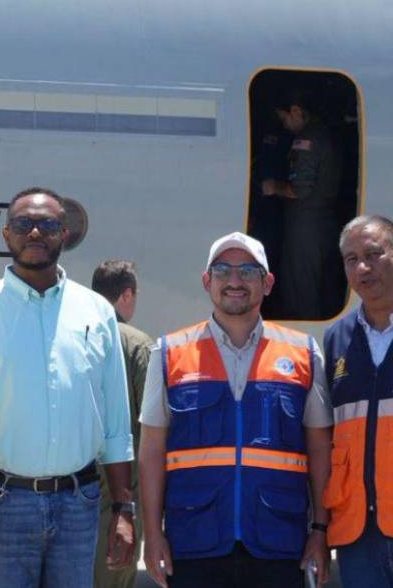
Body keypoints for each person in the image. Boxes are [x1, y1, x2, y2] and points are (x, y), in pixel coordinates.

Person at [0, 187, 135, 588]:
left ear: (64, 234)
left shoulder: (97, 313)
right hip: (1, 503)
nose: (35, 233)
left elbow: (116, 422)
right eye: (24, 224)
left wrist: (124, 509)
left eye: (47, 224)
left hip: (80, 503)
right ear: (6, 234)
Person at [138, 231, 332, 588]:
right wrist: (152, 533)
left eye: (248, 271)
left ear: (268, 282)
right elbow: (151, 450)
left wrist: (320, 530)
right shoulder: (168, 353)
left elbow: (320, 449)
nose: (235, 281)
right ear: (206, 281)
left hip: (279, 541)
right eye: (223, 270)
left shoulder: (303, 352)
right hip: (194, 538)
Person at [323, 215, 393, 586]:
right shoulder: (336, 338)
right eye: (351, 259)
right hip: (358, 532)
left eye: (373, 254)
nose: (363, 267)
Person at [90, 260, 152, 588]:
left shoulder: (76, 335)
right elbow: (155, 419)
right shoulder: (138, 344)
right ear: (126, 294)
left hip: (73, 483)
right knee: (114, 574)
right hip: (122, 487)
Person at [262, 94, 342, 319]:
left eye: (284, 118)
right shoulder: (326, 135)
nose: (284, 125)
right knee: (320, 286)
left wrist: (272, 187)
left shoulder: (307, 139)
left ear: (296, 110)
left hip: (305, 225)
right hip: (323, 222)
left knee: (301, 287)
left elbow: (300, 189)